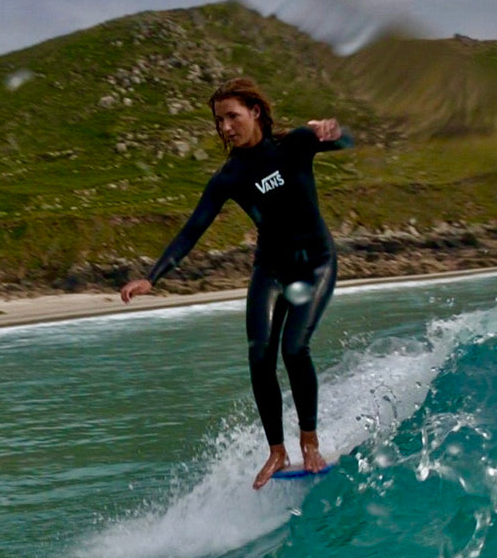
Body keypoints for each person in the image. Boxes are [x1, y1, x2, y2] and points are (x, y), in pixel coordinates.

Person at [120, 77, 352, 489]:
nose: (225, 127)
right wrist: (151, 277)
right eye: (219, 121)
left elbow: (347, 142)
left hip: (315, 264)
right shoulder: (229, 176)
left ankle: (309, 443)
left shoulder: (295, 144)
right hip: (272, 270)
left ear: (255, 112)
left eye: (232, 116)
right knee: (260, 355)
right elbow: (193, 229)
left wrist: (334, 131)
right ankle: (277, 452)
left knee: (294, 348)